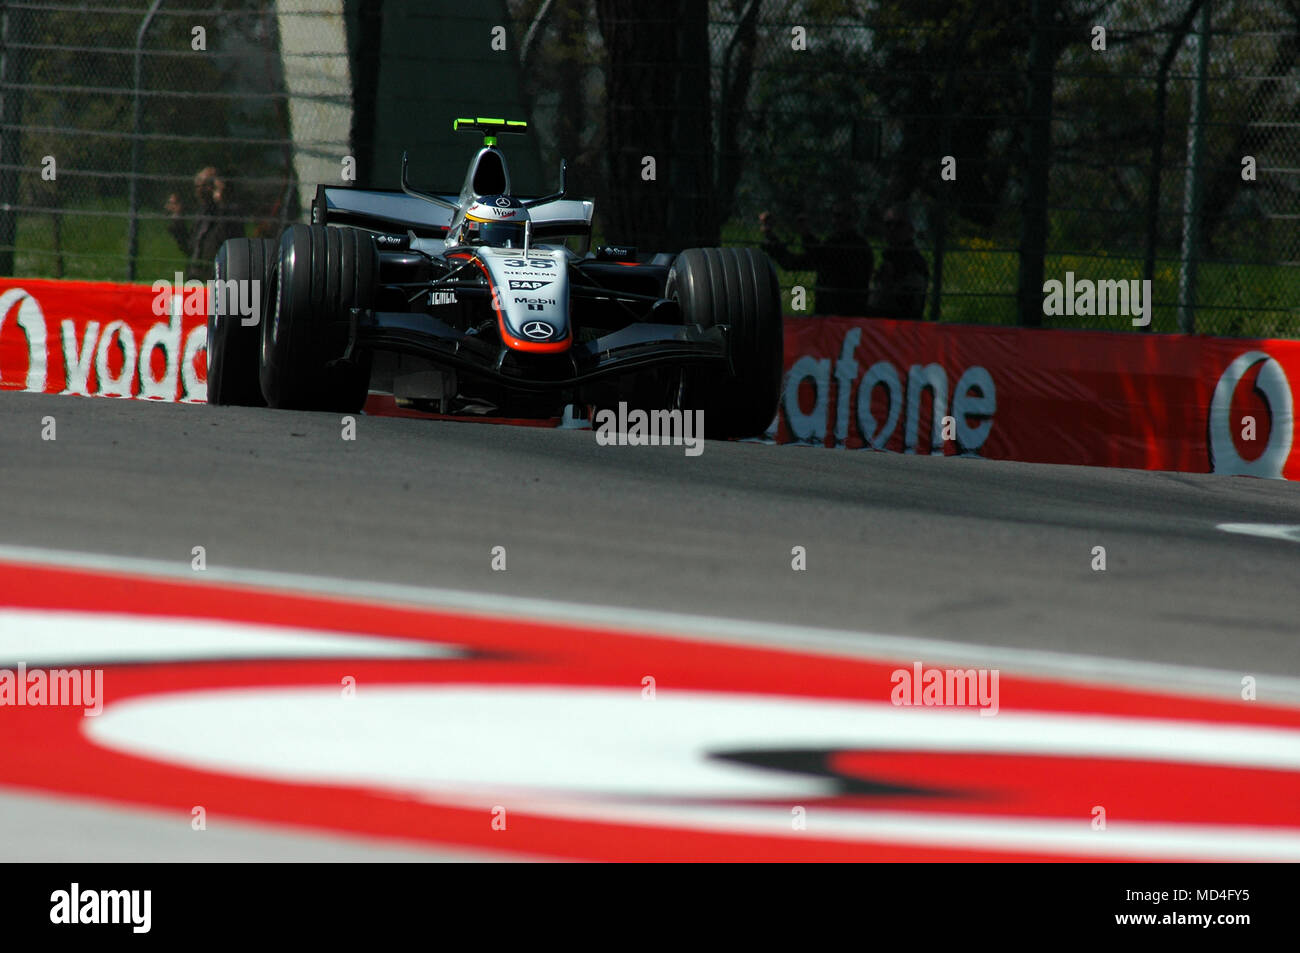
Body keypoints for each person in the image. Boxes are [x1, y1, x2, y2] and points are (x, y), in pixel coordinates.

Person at [758, 209, 873, 316]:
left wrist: (806, 236)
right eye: (836, 216)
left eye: (844, 217)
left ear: (853, 220)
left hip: (843, 313)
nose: (838, 221)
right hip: (832, 314)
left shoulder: (855, 247)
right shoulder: (837, 244)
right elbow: (795, 262)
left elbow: (821, 255)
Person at [166, 167, 244, 281]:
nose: (199, 191)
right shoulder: (203, 215)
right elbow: (190, 248)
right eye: (197, 186)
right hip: (196, 278)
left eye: (204, 186)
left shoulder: (230, 215)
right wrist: (178, 222)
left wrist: (222, 202)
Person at [870, 206, 929, 320]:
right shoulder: (889, 257)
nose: (892, 229)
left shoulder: (914, 262)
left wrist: (890, 285)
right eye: (888, 224)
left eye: (899, 225)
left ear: (911, 230)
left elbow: (909, 306)